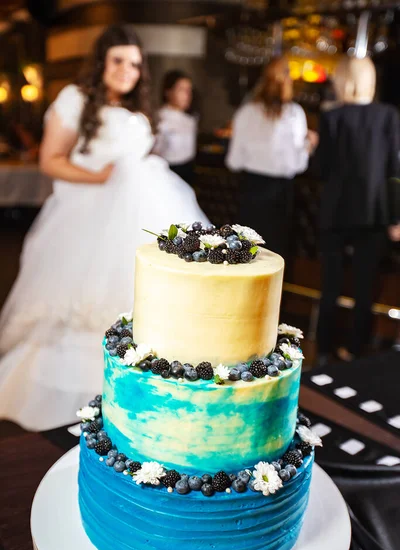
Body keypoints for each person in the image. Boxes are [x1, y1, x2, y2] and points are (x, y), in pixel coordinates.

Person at [0, 24, 207, 431]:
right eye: (118, 60)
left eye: (134, 63)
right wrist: (105, 178)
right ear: (101, 62)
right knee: (79, 304)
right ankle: (65, 400)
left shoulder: (138, 112)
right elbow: (51, 160)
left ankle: (128, 403)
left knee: (136, 300)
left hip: (136, 220)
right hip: (84, 221)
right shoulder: (75, 99)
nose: (127, 70)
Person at [316, 56, 400, 364]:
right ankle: (354, 351)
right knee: (365, 288)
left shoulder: (332, 118)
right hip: (373, 214)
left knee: (330, 288)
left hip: (336, 212)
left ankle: (323, 350)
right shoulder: (389, 116)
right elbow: (395, 169)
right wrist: (396, 217)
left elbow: (321, 169)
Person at [225, 56, 318, 261]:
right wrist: (309, 146)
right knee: (273, 257)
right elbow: (298, 164)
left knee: (246, 254)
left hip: (251, 190)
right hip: (279, 195)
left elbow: (233, 162)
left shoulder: (246, 112)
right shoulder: (294, 114)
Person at [153, 70, 197, 185]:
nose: (187, 95)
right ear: (168, 92)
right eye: (182, 90)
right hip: (167, 175)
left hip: (188, 173)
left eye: (189, 90)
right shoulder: (160, 118)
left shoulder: (191, 119)